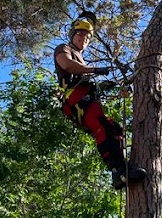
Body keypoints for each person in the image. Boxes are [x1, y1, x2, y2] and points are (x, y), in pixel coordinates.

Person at [54, 12, 146, 190]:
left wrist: (114, 85)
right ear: (72, 34)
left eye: (87, 37)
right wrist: (95, 69)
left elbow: (91, 82)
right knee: (101, 126)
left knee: (114, 128)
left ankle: (119, 170)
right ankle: (120, 170)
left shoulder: (82, 60)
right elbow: (67, 65)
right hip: (75, 98)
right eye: (80, 34)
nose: (84, 38)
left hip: (86, 98)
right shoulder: (64, 48)